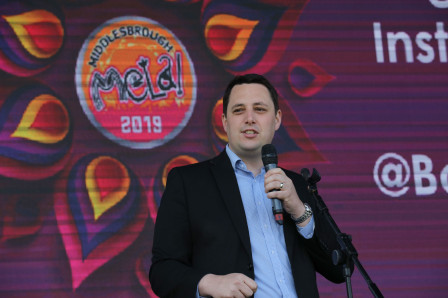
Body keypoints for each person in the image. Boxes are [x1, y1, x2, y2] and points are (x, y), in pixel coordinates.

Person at [149, 74, 351, 297]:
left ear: (277, 119)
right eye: (238, 110)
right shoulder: (188, 182)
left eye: (260, 109)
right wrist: (208, 283)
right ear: (225, 121)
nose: (249, 118)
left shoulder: (297, 185)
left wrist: (299, 210)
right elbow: (162, 270)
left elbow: (342, 269)